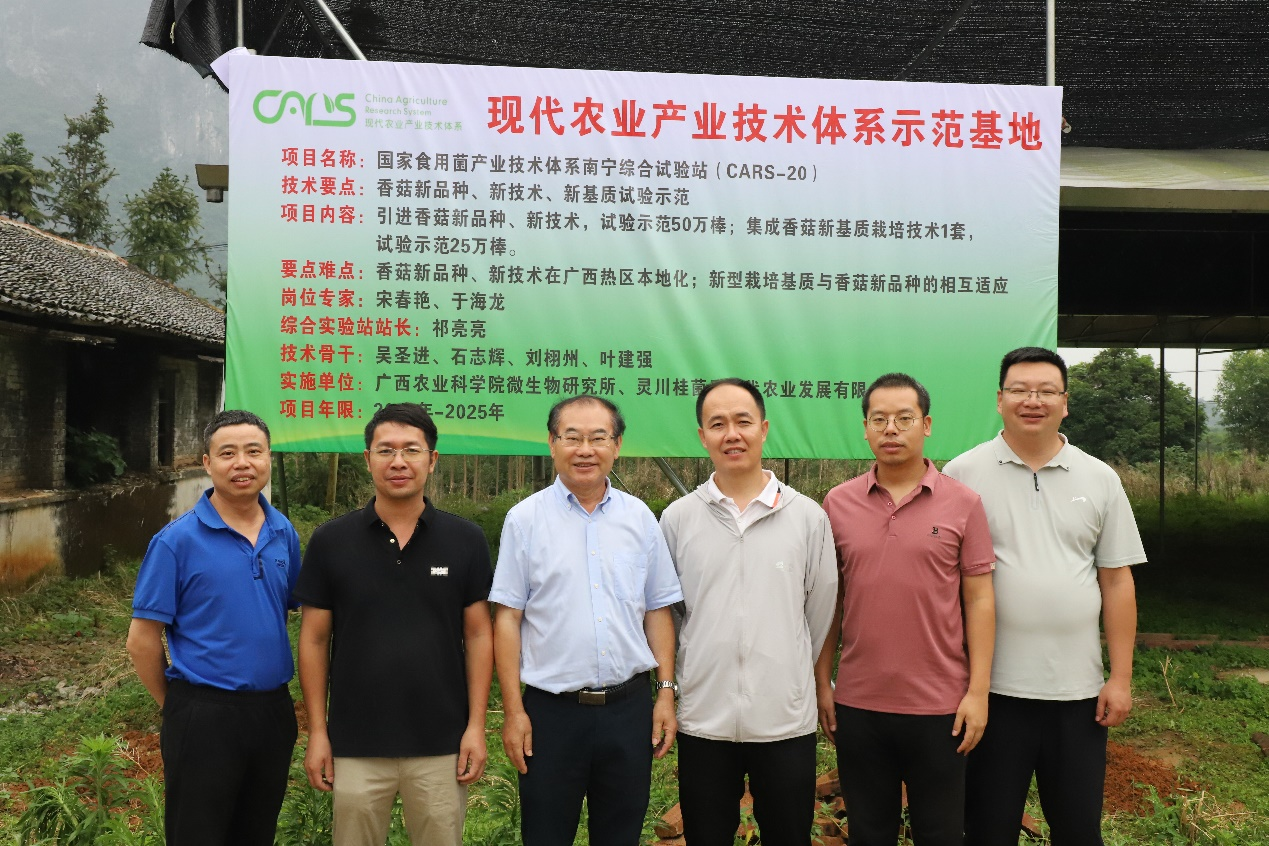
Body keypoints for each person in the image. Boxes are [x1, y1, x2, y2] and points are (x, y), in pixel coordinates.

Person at [943, 347, 1144, 845]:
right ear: (999, 399)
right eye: (1020, 390)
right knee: (987, 830)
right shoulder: (961, 475)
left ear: (1065, 402)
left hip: (1078, 696)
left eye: (1046, 391)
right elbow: (942, 582)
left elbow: (1117, 580)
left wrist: (1120, 678)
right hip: (991, 693)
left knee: (1078, 829)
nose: (1032, 401)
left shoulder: (1099, 478)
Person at [295, 403, 493, 846]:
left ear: (432, 459)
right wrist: (318, 732)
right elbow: (314, 639)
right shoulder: (331, 541)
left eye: (411, 450)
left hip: (442, 742)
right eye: (386, 450)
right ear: (368, 459)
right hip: (355, 743)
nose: (398, 462)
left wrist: (475, 726)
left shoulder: (465, 540)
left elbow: (480, 634)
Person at [490, 394, 683, 846]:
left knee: (620, 835)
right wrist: (514, 711)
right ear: (552, 443)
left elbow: (657, 609)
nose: (585, 450)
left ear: (617, 445)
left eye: (598, 438)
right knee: (545, 835)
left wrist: (665, 693)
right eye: (572, 437)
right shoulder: (525, 520)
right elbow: (507, 619)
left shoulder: (640, 518)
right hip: (550, 715)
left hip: (628, 711)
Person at [817, 373, 996, 846]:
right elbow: (830, 601)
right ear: (865, 429)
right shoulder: (838, 503)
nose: (891, 429)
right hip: (859, 705)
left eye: (904, 418)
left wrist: (978, 692)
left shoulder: (963, 503)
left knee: (940, 832)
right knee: (869, 832)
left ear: (927, 425)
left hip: (941, 707)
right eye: (879, 419)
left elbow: (980, 599)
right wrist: (822, 682)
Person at [659, 378, 837, 846]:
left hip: (784, 721)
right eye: (718, 424)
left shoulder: (807, 517)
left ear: (764, 428)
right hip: (705, 720)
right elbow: (669, 615)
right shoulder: (678, 518)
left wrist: (800, 679)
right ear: (703, 436)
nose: (732, 434)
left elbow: (819, 612)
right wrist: (673, 687)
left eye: (743, 421)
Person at [127, 409, 301, 846]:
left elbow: (283, 611)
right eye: (227, 453)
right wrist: (177, 706)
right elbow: (142, 640)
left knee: (257, 831)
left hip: (273, 711)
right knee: (198, 833)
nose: (242, 463)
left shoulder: (283, 532)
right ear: (207, 463)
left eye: (253, 451)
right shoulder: (176, 542)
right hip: (202, 713)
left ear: (268, 457)